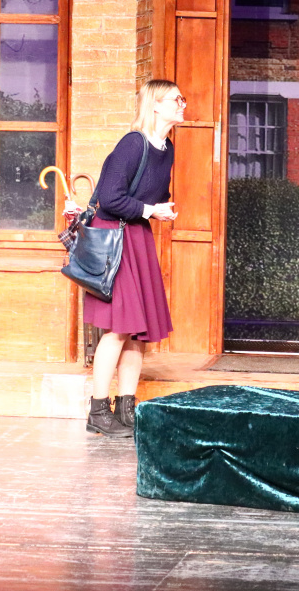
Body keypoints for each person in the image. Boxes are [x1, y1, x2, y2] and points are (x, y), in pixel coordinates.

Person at [83, 80, 185, 437]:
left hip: (138, 236)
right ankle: (98, 410)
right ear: (155, 105)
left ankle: (127, 408)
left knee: (138, 331)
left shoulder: (166, 149)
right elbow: (110, 198)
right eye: (176, 99)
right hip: (116, 236)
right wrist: (150, 210)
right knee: (119, 327)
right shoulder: (133, 143)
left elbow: (152, 194)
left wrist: (159, 208)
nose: (182, 104)